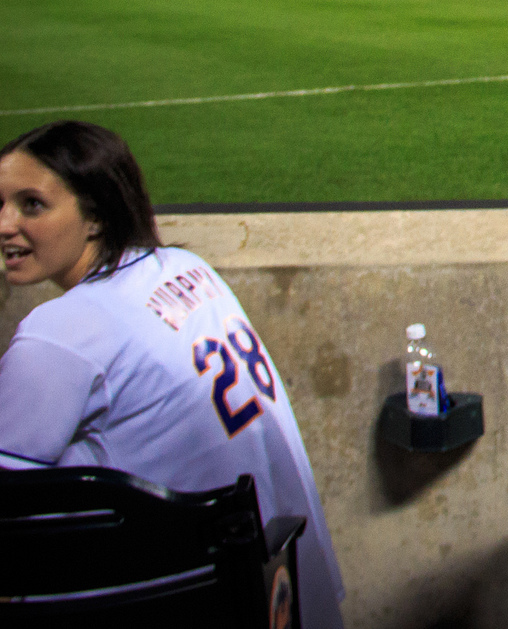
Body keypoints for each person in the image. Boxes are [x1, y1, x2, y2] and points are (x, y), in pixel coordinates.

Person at [0, 122, 344, 627]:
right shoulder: (185, 268)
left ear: (94, 216)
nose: (5, 224)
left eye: (32, 205)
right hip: (283, 577)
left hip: (184, 597)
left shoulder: (62, 333)